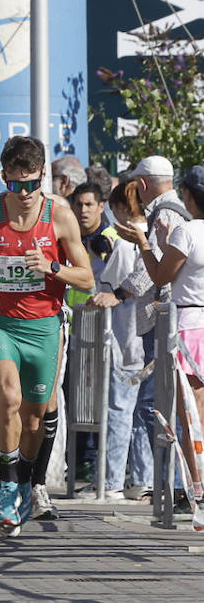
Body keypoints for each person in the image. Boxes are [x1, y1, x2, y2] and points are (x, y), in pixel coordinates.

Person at [0, 136, 94, 535]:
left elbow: (86, 279)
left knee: (35, 418)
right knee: (9, 397)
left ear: (43, 179)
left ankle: (25, 482)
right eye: (15, 184)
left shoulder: (60, 216)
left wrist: (52, 267)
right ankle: (6, 489)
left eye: (31, 184)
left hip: (44, 326)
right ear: (4, 177)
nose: (23, 193)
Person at [116, 166, 204, 509]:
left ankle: (197, 489)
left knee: (189, 415)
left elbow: (159, 275)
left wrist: (145, 244)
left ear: (190, 197)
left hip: (187, 323)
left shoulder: (188, 232)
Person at [82, 180, 152, 500]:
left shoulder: (128, 240)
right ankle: (141, 478)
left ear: (120, 207)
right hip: (141, 334)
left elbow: (124, 285)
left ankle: (111, 482)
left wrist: (112, 295)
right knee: (139, 411)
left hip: (126, 334)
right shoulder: (151, 233)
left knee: (120, 407)